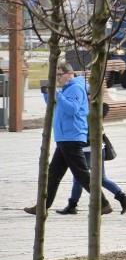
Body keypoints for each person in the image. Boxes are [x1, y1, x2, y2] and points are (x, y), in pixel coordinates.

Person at [24, 61, 111, 215]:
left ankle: (103, 203)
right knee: (54, 174)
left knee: (81, 174)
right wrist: (47, 94)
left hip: (72, 137)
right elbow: (58, 106)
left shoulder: (76, 88)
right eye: (56, 75)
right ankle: (42, 207)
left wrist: (56, 93)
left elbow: (72, 110)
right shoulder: (67, 89)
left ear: (69, 74)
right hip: (65, 137)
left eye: (60, 75)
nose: (58, 78)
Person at [59, 135, 126, 215]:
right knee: (101, 178)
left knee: (79, 178)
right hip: (99, 148)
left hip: (87, 150)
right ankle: (123, 198)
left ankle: (72, 206)